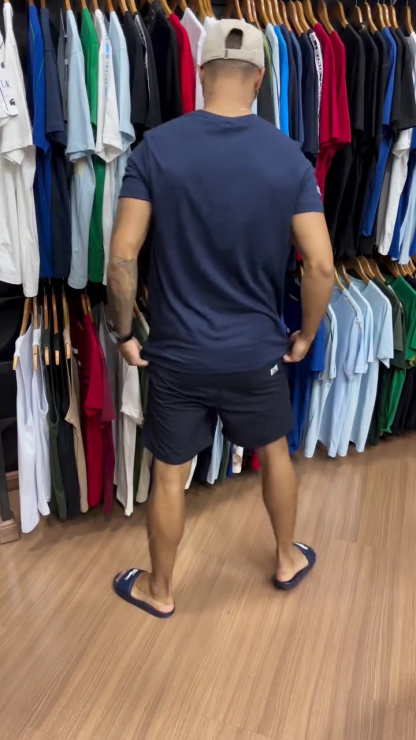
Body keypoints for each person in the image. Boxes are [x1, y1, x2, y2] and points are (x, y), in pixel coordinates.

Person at [108, 20, 334, 618]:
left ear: (200, 72)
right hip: (256, 353)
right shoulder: (288, 156)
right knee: (275, 452)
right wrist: (306, 336)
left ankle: (160, 590)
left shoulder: (156, 149)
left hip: (179, 354)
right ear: (259, 79)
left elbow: (123, 256)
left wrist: (123, 332)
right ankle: (286, 559)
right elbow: (320, 265)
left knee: (168, 473)